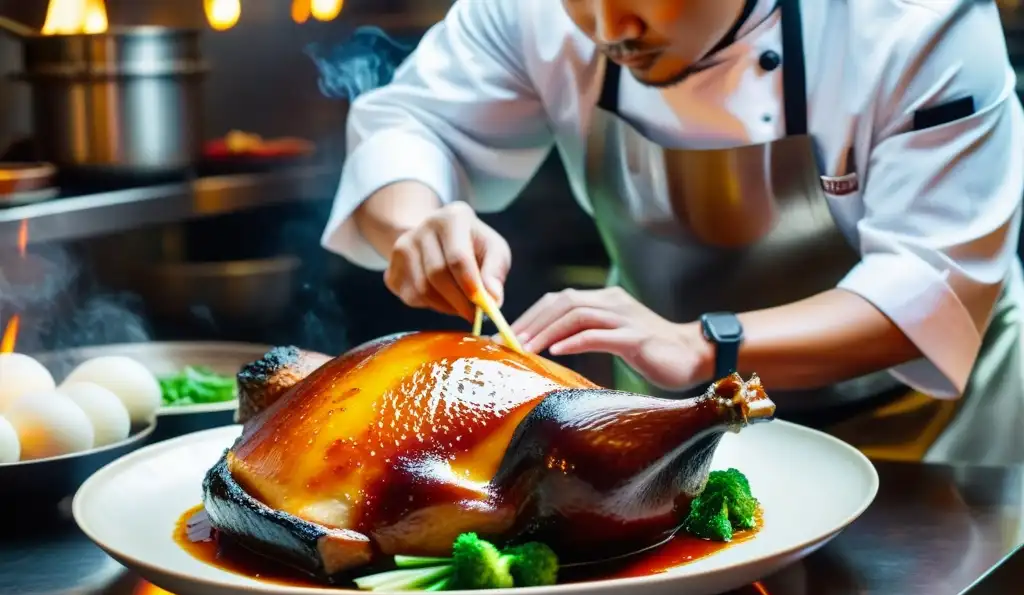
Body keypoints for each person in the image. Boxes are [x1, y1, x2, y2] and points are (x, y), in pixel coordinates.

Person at [320, 0, 1024, 466]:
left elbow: (935, 287)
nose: (607, 27)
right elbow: (411, 126)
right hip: (678, 436)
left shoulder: (917, 18)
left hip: (932, 434)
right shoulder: (539, 10)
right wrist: (419, 224)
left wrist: (699, 345)